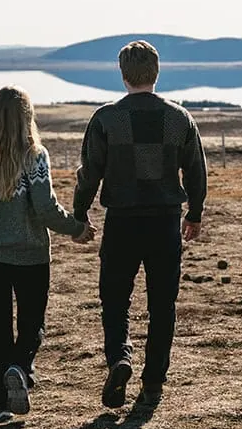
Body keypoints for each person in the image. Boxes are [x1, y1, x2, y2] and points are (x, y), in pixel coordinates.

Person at [73, 40, 207, 409]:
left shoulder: (106, 118)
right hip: (164, 223)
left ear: (122, 73)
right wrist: (194, 213)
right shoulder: (179, 118)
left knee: (114, 299)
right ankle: (153, 386)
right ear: (156, 72)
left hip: (122, 222)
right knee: (163, 304)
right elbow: (196, 169)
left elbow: (89, 173)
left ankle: (119, 358)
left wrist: (79, 213)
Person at [0, 86, 94, 424]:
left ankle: (1, 406)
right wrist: (77, 228)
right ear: (26, 117)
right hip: (31, 255)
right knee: (32, 324)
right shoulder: (36, 156)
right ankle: (19, 368)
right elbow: (46, 210)